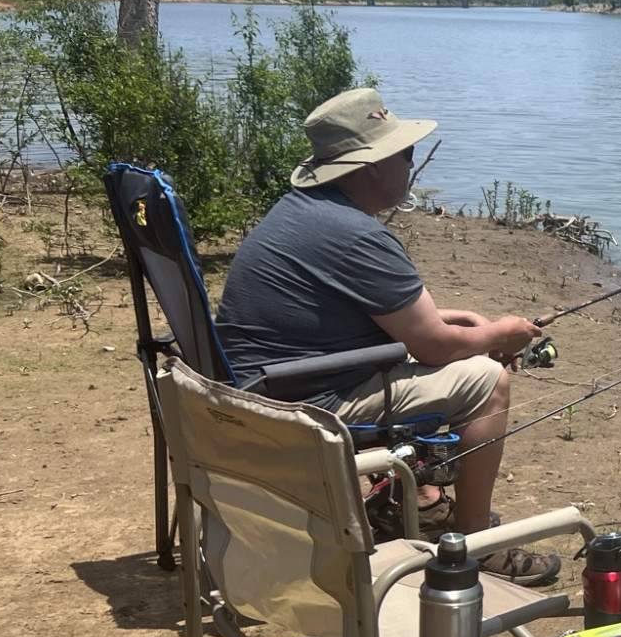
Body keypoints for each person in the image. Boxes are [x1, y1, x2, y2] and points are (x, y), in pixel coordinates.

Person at [215, 87, 559, 586]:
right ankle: (475, 542)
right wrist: (501, 334)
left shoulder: (302, 210)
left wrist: (465, 324)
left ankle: (419, 500)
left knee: (460, 346)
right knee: (487, 383)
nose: (411, 165)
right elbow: (433, 346)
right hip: (301, 405)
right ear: (372, 167)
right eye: (406, 154)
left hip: (259, 388)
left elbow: (371, 317)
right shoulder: (357, 235)